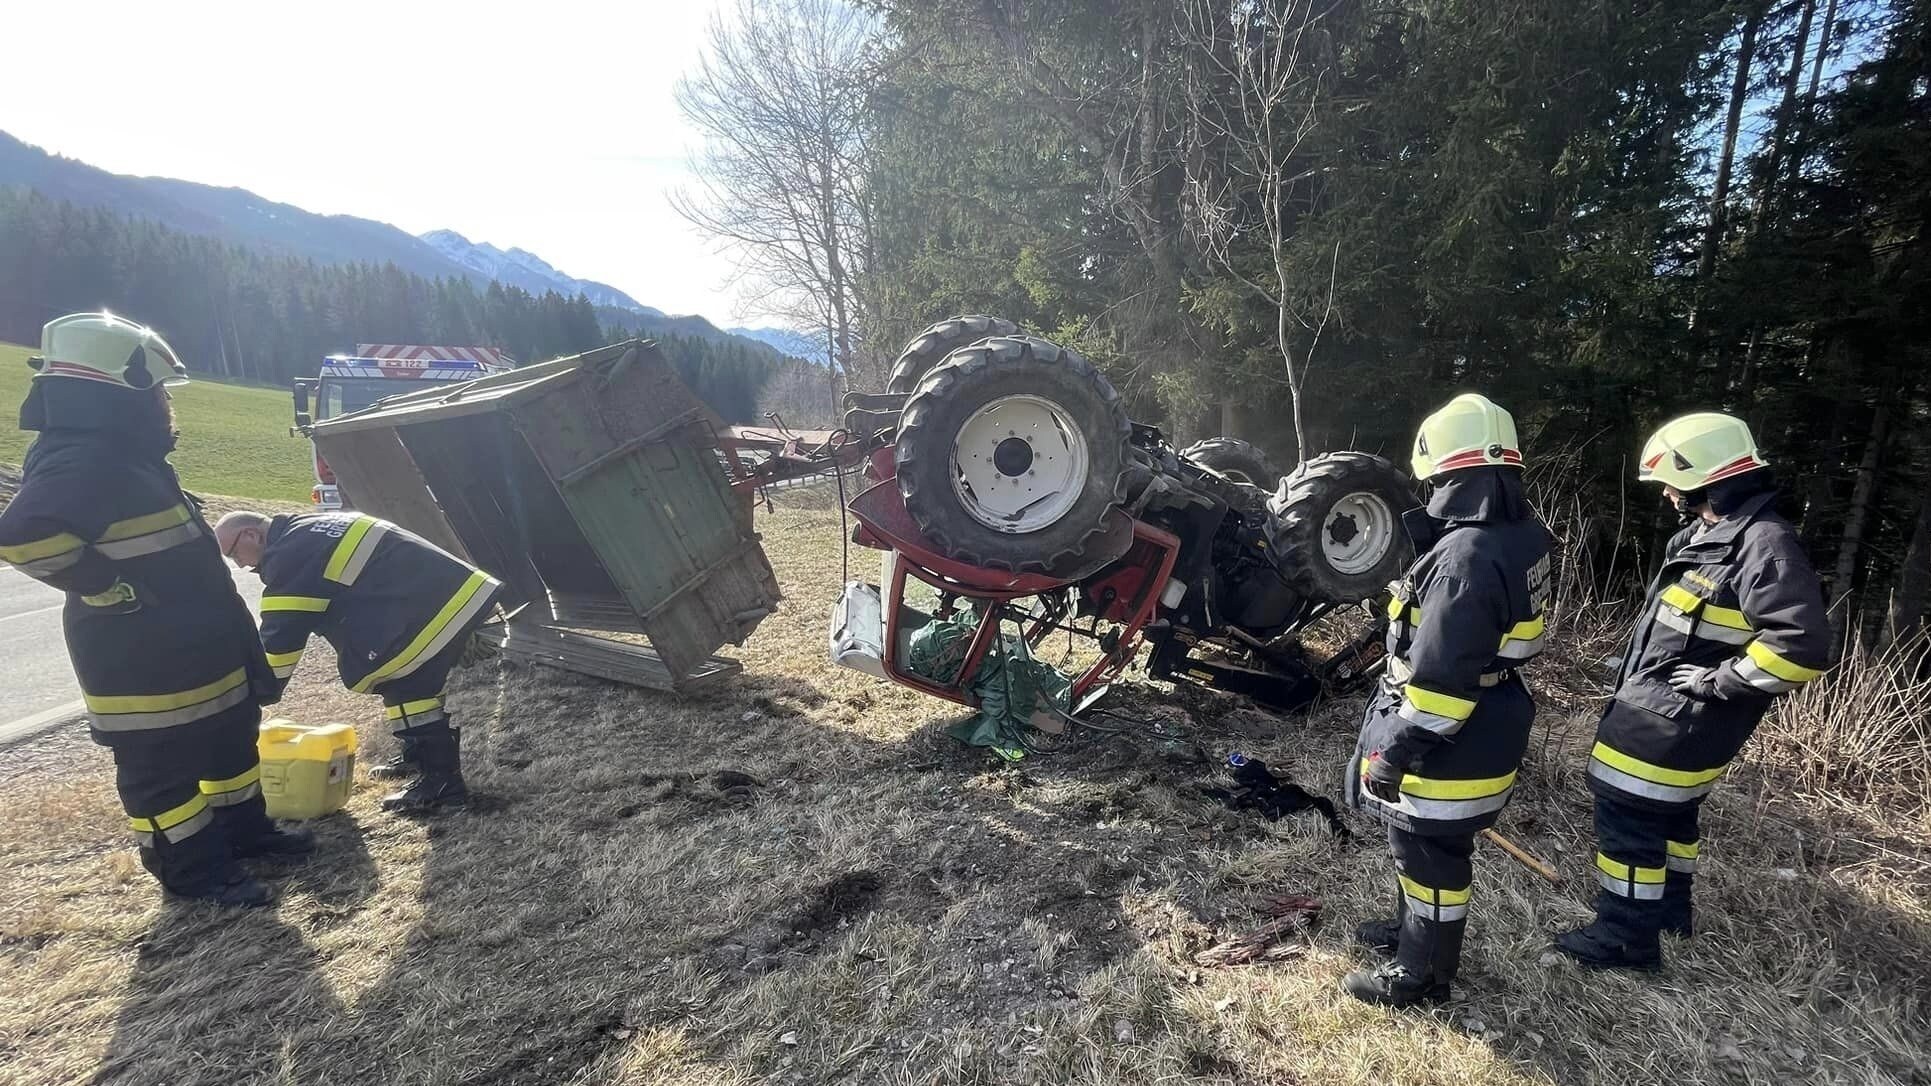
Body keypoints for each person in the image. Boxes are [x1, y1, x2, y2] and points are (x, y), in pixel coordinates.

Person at [0, 313, 308, 907]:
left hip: (191, 652)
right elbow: (21, 535)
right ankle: (194, 872)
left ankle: (244, 837)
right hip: (143, 665)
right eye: (159, 391)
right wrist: (105, 587)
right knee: (163, 771)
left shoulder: (123, 456)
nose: (167, 404)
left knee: (228, 746)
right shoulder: (82, 459)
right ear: (122, 391)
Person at [1554, 412, 1828, 970]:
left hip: (1678, 723)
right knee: (1673, 820)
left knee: (1627, 825)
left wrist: (1718, 681)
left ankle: (1624, 938)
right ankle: (1668, 913)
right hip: (1665, 716)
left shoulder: (1763, 544)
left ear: (1703, 475)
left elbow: (1801, 645)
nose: (1667, 495)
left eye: (1670, 483)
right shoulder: (1708, 535)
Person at [1342, 393, 1552, 1007]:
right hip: (1492, 719)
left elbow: (1438, 686)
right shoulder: (1521, 534)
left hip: (1447, 742)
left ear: (1446, 471)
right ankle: (1414, 935)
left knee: (1429, 855)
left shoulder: (1465, 558)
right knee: (1424, 849)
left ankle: (1421, 974)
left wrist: (1395, 753)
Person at [212, 509, 502, 813]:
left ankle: (443, 785)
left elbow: (280, 639)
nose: (240, 564)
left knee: (403, 677)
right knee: (396, 669)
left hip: (432, 606)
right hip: (450, 594)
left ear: (251, 535)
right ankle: (419, 757)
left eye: (234, 554)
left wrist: (256, 693)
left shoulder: (289, 558)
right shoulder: (308, 526)